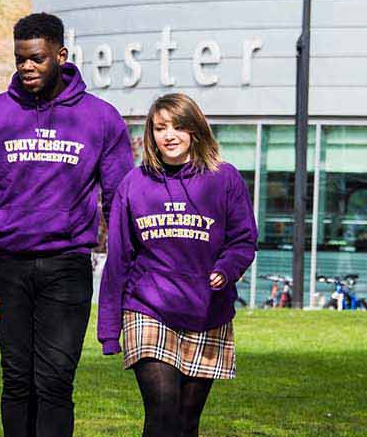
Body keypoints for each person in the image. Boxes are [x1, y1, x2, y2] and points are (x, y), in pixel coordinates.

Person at [0, 12, 134, 437]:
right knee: (17, 380)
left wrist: (125, 272)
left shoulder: (100, 119)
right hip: (6, 265)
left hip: (67, 266)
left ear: (61, 55)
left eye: (36, 58)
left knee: (55, 382)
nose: (26, 68)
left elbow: (121, 202)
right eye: (19, 59)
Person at [98, 93, 257, 437]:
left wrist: (227, 269)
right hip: (148, 309)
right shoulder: (134, 185)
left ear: (195, 130)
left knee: (187, 423)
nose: (169, 135)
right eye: (159, 128)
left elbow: (243, 239)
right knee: (162, 413)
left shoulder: (224, 179)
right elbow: (119, 258)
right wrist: (109, 329)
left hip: (207, 311)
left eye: (178, 126)